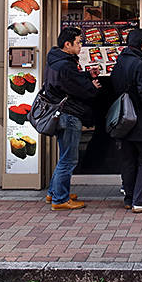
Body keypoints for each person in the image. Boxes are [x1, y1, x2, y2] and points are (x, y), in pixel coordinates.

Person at [44, 26, 100, 211]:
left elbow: (69, 82)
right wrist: (91, 84)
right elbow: (81, 89)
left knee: (64, 156)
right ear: (67, 44)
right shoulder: (65, 65)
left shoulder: (56, 60)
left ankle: (54, 191)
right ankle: (60, 199)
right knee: (69, 159)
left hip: (62, 114)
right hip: (69, 114)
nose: (81, 46)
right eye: (78, 42)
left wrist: (85, 76)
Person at [110, 28, 142, 212]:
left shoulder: (120, 61)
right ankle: (140, 201)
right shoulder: (140, 64)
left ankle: (129, 198)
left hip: (124, 120)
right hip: (141, 120)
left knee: (129, 160)